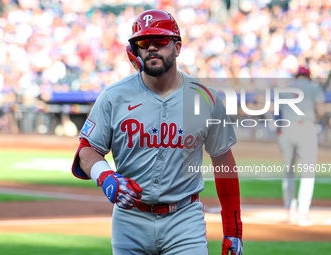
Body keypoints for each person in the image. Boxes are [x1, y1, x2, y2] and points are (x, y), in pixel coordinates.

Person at [72, 9, 243, 254]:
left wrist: (233, 230)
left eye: (161, 40)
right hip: (130, 219)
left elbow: (224, 161)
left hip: (184, 220)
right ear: (135, 50)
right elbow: (86, 150)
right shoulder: (114, 96)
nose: (152, 48)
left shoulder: (205, 98)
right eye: (144, 42)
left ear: (177, 47)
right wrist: (105, 176)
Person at [277, 66, 326, 226]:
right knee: (308, 171)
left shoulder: (285, 88)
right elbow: (320, 110)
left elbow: (277, 112)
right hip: (305, 127)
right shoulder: (314, 87)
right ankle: (303, 211)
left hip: (286, 128)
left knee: (288, 171)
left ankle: (290, 208)